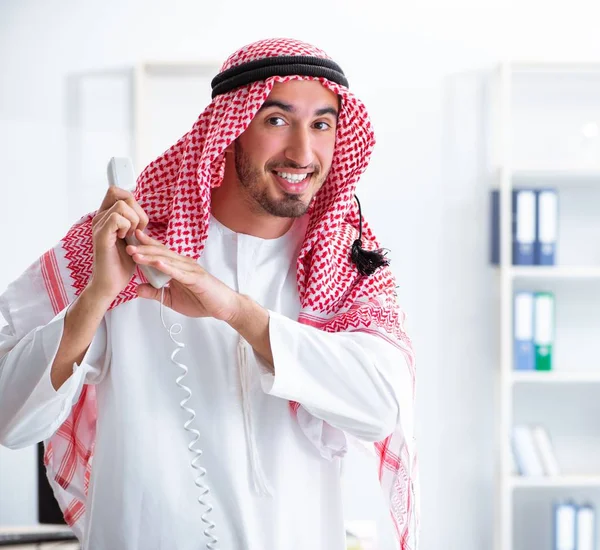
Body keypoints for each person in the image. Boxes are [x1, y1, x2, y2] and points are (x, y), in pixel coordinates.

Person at [0, 38, 417, 550]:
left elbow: (380, 410)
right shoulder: (124, 248)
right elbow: (10, 418)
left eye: (321, 124)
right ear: (232, 129)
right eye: (277, 120)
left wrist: (237, 311)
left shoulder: (347, 262)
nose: (302, 153)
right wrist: (97, 296)